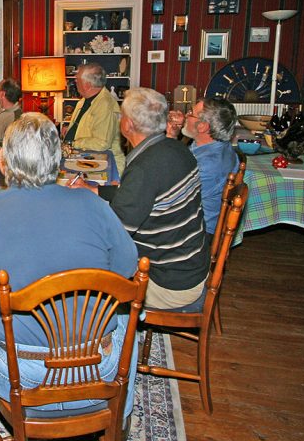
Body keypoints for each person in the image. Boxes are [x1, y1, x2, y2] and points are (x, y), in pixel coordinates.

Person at [0, 113, 139, 441]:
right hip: (99, 368)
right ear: (59, 160)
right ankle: (120, 424)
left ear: (4, 163)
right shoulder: (94, 204)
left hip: (18, 375)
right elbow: (127, 269)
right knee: (128, 319)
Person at [69, 88, 207, 311]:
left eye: (122, 115)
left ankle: (97, 336)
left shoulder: (144, 168)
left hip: (168, 284)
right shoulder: (175, 148)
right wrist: (93, 190)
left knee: (77, 272)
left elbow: (116, 234)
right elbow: (141, 197)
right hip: (189, 267)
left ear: (128, 125)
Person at [182, 97, 240, 236]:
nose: (186, 116)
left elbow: (175, 200)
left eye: (191, 113)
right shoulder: (222, 147)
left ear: (202, 126)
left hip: (197, 232)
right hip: (202, 222)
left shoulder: (208, 165)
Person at [63, 62, 125, 172]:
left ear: (87, 84)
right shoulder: (84, 100)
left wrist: (72, 143)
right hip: (83, 160)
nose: (75, 82)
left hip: (105, 166)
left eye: (78, 80)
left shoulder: (105, 105)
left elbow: (102, 143)